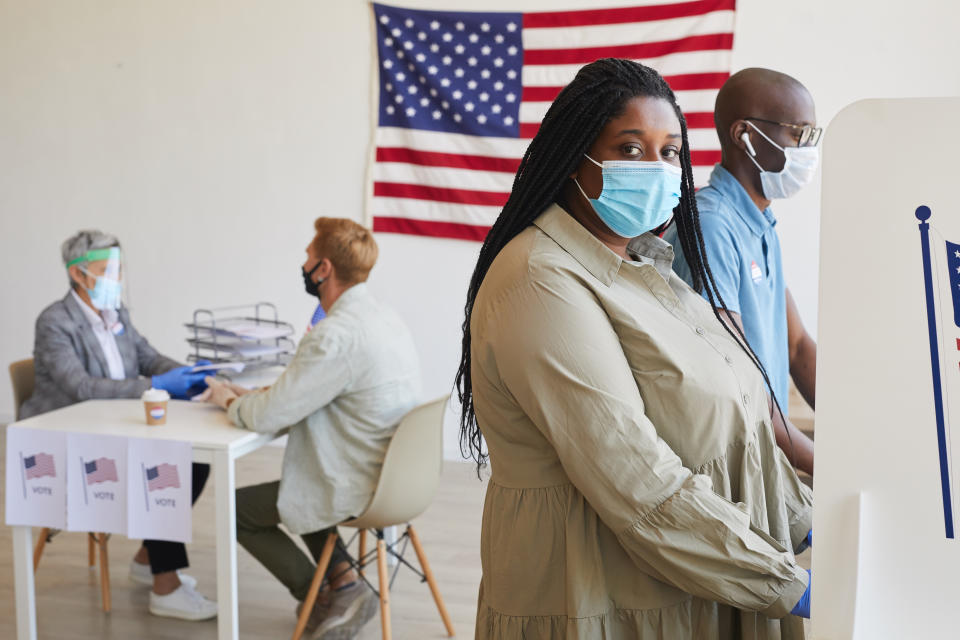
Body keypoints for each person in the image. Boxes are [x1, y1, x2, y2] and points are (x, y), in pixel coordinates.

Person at [455, 59, 813, 639]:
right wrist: (788, 584)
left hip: (693, 579)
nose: (656, 169)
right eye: (629, 150)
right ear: (576, 156)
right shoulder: (539, 281)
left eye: (670, 152)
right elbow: (640, 481)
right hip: (600, 597)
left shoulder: (644, 263)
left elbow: (732, 426)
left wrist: (800, 519)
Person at [198, 217, 421, 639]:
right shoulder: (383, 317)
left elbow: (266, 417)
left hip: (357, 483)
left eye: (307, 256)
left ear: (324, 269)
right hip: (400, 478)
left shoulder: (335, 335)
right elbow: (315, 389)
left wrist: (230, 399)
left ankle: (320, 595)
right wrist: (271, 392)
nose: (303, 264)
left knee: (238, 510)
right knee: (304, 479)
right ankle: (344, 584)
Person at [21, 229, 217, 620]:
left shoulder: (116, 314)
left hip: (114, 429)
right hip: (64, 444)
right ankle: (166, 585)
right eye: (107, 269)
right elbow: (81, 387)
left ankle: (149, 558)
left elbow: (148, 357)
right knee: (164, 469)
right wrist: (157, 386)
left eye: (118, 268)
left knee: (194, 462)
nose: (117, 277)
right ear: (79, 275)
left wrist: (193, 373)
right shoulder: (55, 322)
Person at [665, 68, 820, 475]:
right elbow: (734, 382)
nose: (808, 150)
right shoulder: (713, 225)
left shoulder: (759, 221)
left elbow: (797, 346)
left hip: (765, 455)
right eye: (799, 133)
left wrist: (853, 430)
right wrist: (825, 462)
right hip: (727, 467)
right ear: (743, 135)